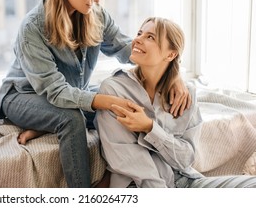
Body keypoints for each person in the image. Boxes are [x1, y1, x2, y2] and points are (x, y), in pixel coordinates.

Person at [0, 0, 190, 188]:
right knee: (71, 119)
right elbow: (55, 91)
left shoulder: (95, 15)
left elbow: (127, 48)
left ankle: (121, 173)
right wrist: (106, 101)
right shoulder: (32, 28)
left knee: (120, 103)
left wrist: (174, 71)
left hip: (67, 92)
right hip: (23, 96)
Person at [94, 16, 256, 188]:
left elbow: (186, 159)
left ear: (171, 54)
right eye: (139, 33)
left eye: (150, 37)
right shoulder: (113, 90)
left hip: (187, 181)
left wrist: (150, 127)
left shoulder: (185, 95)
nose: (137, 40)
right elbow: (127, 159)